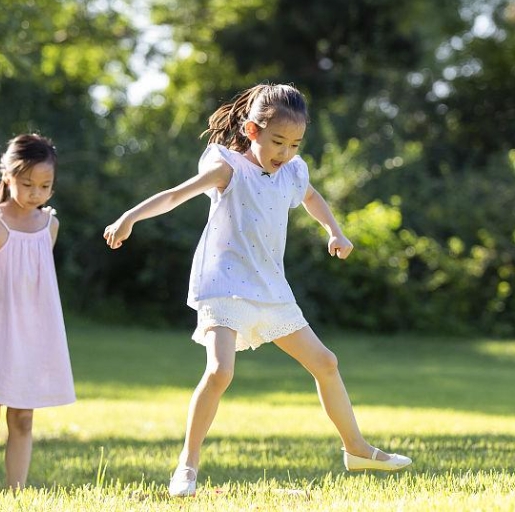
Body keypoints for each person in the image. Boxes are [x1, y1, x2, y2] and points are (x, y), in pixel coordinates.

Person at [103, 84, 412, 497]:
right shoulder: (229, 168)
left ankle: (356, 448)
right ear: (252, 130)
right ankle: (187, 468)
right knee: (220, 371)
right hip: (224, 284)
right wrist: (129, 218)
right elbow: (177, 195)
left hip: (269, 288)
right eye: (277, 142)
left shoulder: (293, 171)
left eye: (295, 144)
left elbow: (312, 196)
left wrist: (334, 231)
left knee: (325, 362)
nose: (285, 152)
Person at [0, 134, 76, 493]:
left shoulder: (49, 225)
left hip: (33, 332)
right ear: (7, 176)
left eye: (45, 185)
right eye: (27, 184)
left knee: (22, 418)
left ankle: (15, 493)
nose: (36, 193)